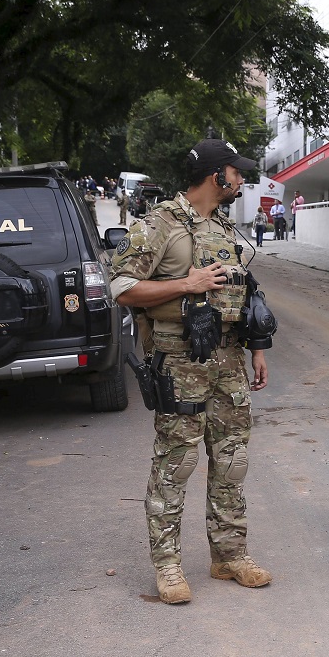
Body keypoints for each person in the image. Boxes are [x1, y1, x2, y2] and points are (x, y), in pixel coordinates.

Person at [110, 138, 272, 605]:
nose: (241, 180)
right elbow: (121, 287)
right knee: (175, 464)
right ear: (216, 175)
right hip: (179, 358)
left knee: (231, 459)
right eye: (236, 173)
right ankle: (168, 565)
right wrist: (187, 284)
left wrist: (256, 348)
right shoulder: (160, 224)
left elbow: (243, 294)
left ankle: (229, 556)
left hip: (228, 359)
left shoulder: (223, 227)